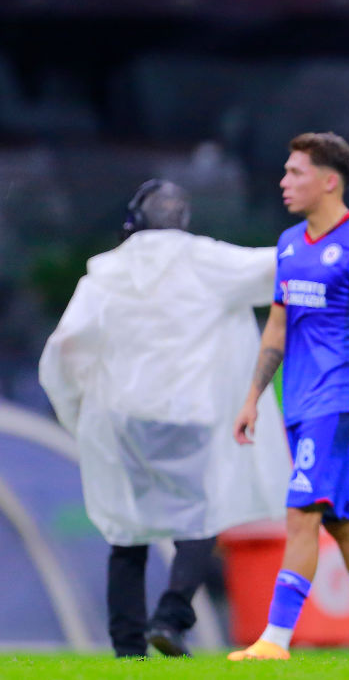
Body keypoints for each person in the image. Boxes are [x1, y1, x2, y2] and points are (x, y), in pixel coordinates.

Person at [39, 180, 291, 658]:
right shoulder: (209, 259)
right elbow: (279, 263)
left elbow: (65, 346)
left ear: (135, 219)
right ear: (183, 218)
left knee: (125, 530)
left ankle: (128, 647)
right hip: (190, 417)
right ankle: (172, 616)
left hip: (123, 418)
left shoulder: (106, 273)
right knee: (202, 517)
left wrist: (75, 410)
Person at [227, 132, 349, 661]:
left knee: (302, 512)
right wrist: (252, 398)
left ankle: (274, 639)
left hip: (341, 401)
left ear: (329, 181)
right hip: (300, 401)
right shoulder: (289, 244)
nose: (284, 182)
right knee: (341, 518)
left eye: (296, 173)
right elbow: (277, 328)